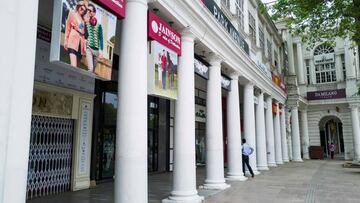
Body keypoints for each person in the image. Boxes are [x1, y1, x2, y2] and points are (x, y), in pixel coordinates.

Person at [64, 1, 88, 67]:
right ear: (78, 7)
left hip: (80, 45)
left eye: (84, 10)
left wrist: (84, 48)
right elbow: (68, 27)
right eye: (81, 8)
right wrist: (66, 41)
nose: (82, 11)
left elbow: (85, 34)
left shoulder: (83, 20)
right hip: (72, 42)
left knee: (77, 68)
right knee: (73, 66)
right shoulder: (72, 13)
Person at [84, 3, 104, 73]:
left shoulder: (99, 26)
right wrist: (85, 22)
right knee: (90, 69)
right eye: (87, 10)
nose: (88, 12)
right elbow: (84, 34)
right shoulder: (85, 22)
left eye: (90, 10)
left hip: (96, 51)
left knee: (93, 71)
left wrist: (101, 51)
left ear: (94, 13)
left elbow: (101, 38)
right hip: (88, 48)